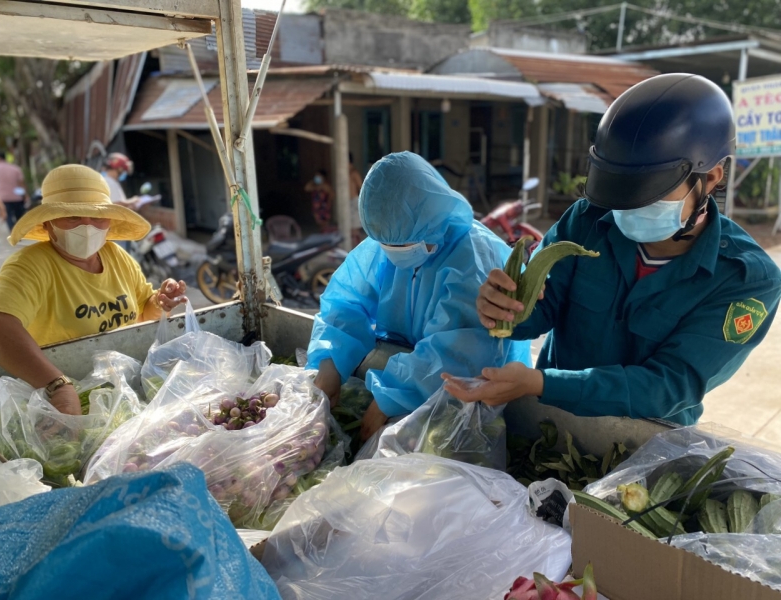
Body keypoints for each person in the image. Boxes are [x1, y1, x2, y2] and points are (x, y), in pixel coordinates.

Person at [443, 74, 781, 426]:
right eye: (619, 188)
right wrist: (505, 309)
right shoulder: (587, 221)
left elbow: (669, 385)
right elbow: (542, 308)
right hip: (550, 424)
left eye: (648, 191)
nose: (628, 206)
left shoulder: (746, 279)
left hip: (647, 447)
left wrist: (543, 383)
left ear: (710, 177)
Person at [307, 152, 532, 440]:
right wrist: (329, 365)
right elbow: (347, 301)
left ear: (432, 219)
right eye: (386, 243)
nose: (393, 250)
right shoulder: (386, 240)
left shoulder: (475, 258)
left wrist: (391, 397)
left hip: (478, 399)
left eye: (404, 243)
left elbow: (459, 351)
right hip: (417, 382)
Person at [0, 164, 188, 416]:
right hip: (60, 406)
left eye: (97, 216)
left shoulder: (116, 256)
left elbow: (143, 313)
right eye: (73, 217)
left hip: (122, 394)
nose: (88, 227)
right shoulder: (29, 265)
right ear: (47, 223)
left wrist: (160, 301)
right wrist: (57, 386)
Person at [0, 152, 27, 230]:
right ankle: (21, 232)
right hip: (17, 197)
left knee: (8, 216)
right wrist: (25, 195)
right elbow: (21, 183)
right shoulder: (15, 168)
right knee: (19, 217)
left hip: (2, 197)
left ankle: (13, 233)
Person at [348, 152, 365, 246]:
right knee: (348, 228)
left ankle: (357, 246)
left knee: (355, 228)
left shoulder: (354, 173)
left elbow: (361, 187)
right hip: (346, 202)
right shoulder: (344, 173)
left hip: (354, 201)